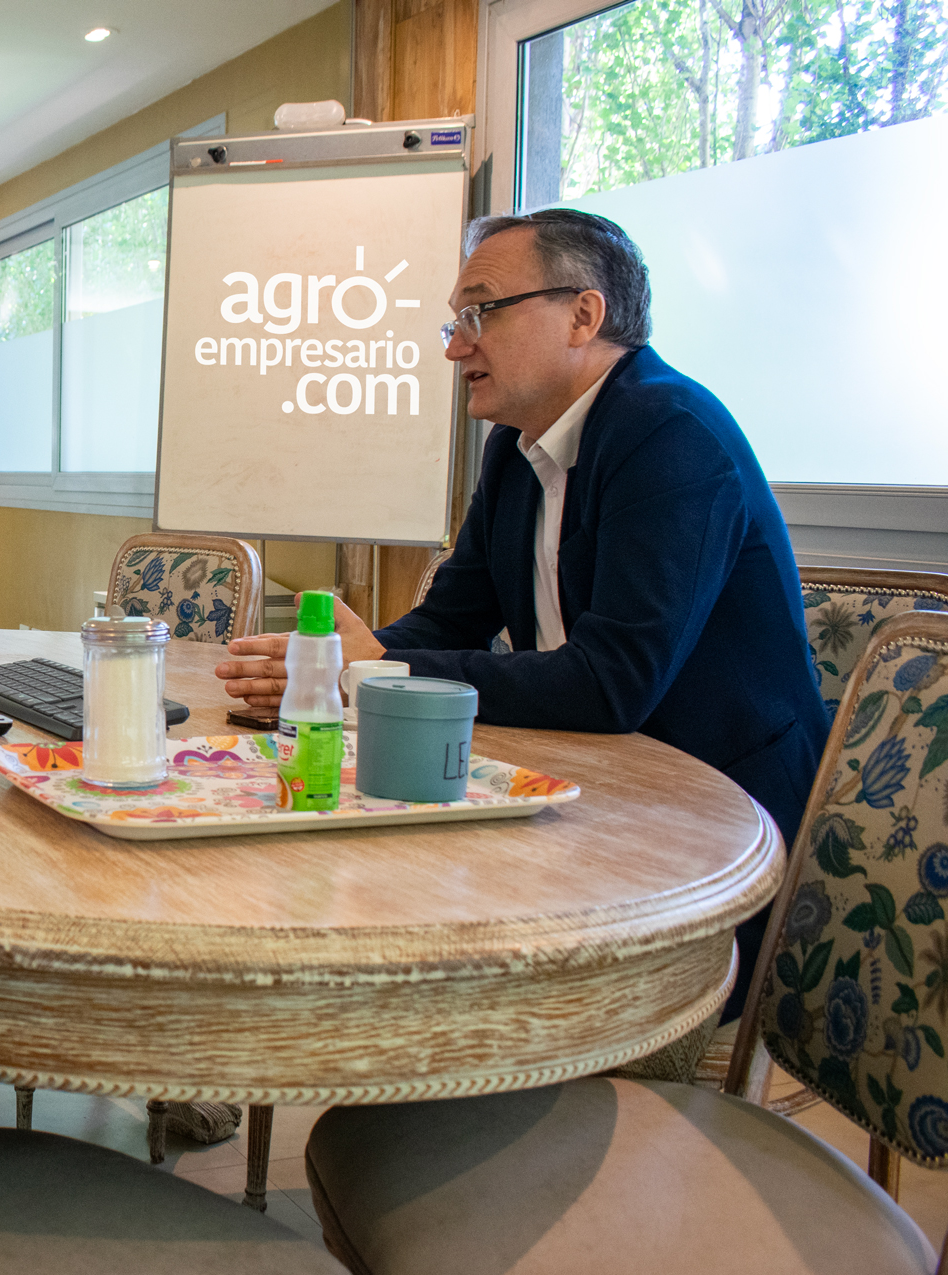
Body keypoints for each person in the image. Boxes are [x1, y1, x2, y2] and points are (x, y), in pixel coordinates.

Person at [216, 208, 826, 1020]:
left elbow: (613, 685)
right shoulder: (517, 445)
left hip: (707, 843)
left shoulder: (669, 434)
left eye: (480, 312)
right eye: (453, 320)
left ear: (584, 313)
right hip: (596, 796)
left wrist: (371, 672)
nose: (453, 344)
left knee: (423, 955)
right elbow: (447, 623)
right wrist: (336, 669)